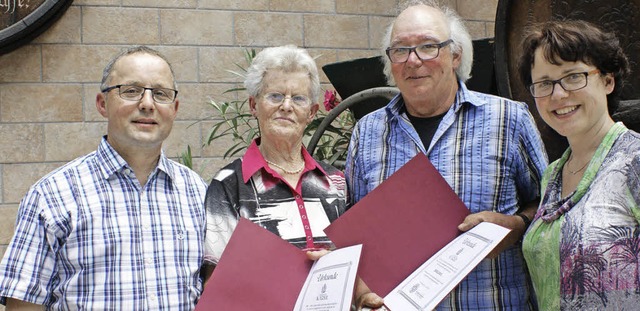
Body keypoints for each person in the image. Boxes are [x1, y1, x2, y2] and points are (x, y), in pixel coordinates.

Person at [344, 0, 548, 309]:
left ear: (455, 55)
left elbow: (549, 206)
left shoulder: (508, 120)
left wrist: (515, 224)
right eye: (400, 50)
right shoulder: (368, 132)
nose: (413, 61)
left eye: (428, 46)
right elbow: (358, 237)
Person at [0, 46, 208, 310]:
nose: (147, 104)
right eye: (130, 91)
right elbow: (24, 305)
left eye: (160, 94)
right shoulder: (51, 195)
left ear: (175, 108)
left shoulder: (197, 192)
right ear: (102, 104)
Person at [518, 20, 640, 309]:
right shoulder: (553, 175)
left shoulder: (634, 160)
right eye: (545, 83)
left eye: (574, 77)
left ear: (608, 81)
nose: (558, 95)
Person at [201, 45, 347, 280]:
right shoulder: (229, 185)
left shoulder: (336, 181)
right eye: (275, 96)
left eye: (298, 98)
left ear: (311, 112)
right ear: (253, 106)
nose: (286, 106)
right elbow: (215, 284)